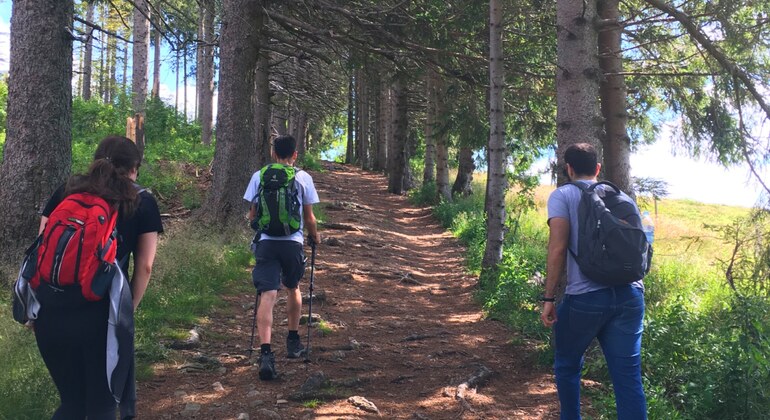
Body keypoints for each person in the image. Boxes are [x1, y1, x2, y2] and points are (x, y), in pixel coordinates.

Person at [38, 135, 163, 419]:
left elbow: (42, 248)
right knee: (101, 406)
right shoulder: (141, 201)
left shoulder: (66, 191)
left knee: (71, 403)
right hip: (102, 317)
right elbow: (145, 266)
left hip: (50, 313)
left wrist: (36, 305)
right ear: (134, 169)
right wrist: (128, 311)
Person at [540, 143, 647, 420]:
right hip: (631, 295)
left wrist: (549, 298)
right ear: (598, 168)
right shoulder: (620, 195)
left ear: (569, 169)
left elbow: (558, 249)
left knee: (567, 366)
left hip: (586, 298)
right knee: (628, 378)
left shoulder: (562, 195)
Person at [243, 134, 321, 380]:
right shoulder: (303, 177)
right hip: (293, 243)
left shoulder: (259, 176)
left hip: (266, 243)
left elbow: (252, 214)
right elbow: (309, 217)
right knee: (293, 287)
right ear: (294, 155)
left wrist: (259, 226)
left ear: (274, 154)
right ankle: (293, 341)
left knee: (267, 294)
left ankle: (265, 352)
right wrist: (314, 236)